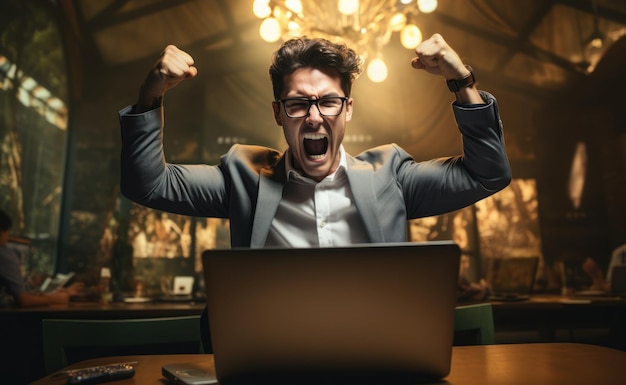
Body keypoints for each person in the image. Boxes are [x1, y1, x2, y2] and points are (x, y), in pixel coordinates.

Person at [119, 33, 511, 248]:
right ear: (277, 113)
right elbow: (148, 184)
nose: (314, 116)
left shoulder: (390, 177)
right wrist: (150, 95)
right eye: (297, 104)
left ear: (348, 109)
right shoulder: (243, 176)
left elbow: (487, 175)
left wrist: (461, 82)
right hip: (272, 363)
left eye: (328, 102)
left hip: (373, 361)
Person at [0, 208, 83, 307]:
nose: (9, 239)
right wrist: (54, 299)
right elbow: (24, 301)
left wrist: (33, 287)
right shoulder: (5, 255)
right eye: (8, 234)